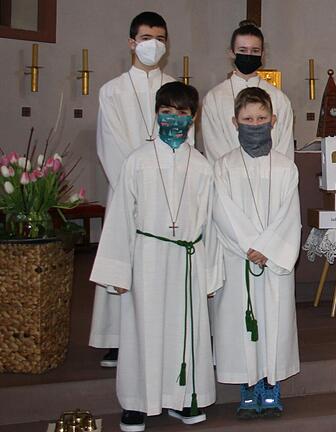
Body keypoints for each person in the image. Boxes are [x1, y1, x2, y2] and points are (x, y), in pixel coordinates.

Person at [90, 82, 218, 432]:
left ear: (193, 117)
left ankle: (183, 398)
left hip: (187, 259)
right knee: (141, 330)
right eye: (167, 111)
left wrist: (209, 274)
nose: (174, 119)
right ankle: (136, 403)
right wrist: (117, 272)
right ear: (157, 113)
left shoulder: (203, 166)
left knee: (185, 329)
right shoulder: (137, 161)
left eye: (182, 113)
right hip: (146, 256)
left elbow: (210, 224)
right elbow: (119, 218)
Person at [90, 11, 177, 368]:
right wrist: (137, 185)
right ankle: (117, 338)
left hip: (170, 194)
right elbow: (110, 143)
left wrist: (167, 183)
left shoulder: (174, 89)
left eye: (159, 38)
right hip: (127, 190)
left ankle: (164, 330)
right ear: (132, 42)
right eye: (145, 38)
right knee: (122, 256)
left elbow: (185, 140)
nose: (152, 45)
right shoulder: (112, 91)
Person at [209, 87, 301, 419]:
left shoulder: (285, 168)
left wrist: (267, 249)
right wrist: (252, 245)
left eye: (261, 118)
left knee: (273, 320)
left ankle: (271, 385)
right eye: (248, 119)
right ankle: (247, 387)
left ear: (273, 120)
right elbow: (222, 210)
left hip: (272, 261)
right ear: (235, 122)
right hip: (238, 258)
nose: (255, 124)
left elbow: (290, 215)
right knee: (240, 321)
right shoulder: (223, 166)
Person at [201, 20, 294, 163]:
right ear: (232, 52)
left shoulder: (278, 98)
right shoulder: (214, 98)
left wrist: (273, 174)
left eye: (255, 51)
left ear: (262, 54)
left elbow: (284, 146)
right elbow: (214, 146)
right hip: (229, 177)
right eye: (243, 50)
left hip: (270, 178)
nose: (249, 55)